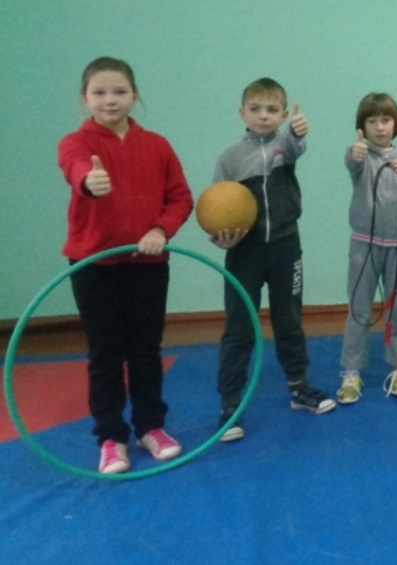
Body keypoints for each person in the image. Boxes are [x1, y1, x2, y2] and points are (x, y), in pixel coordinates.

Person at [57, 56, 194, 474]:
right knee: (105, 353)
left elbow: (180, 198)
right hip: (94, 267)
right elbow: (75, 167)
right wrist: (89, 180)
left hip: (147, 265)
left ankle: (151, 427)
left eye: (119, 91)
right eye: (99, 92)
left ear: (135, 95)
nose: (110, 100)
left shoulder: (157, 145)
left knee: (146, 351)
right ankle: (111, 438)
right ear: (84, 98)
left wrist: (160, 229)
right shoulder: (75, 143)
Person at [209, 77, 335, 442]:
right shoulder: (229, 159)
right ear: (242, 113)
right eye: (255, 109)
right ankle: (229, 406)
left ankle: (299, 388)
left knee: (289, 320)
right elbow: (216, 210)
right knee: (239, 327)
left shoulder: (285, 147)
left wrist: (297, 131)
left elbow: (295, 146)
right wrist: (220, 237)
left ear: (282, 115)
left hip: (285, 248)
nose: (263, 116)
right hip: (243, 254)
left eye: (271, 110)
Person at [338, 93, 397, 404]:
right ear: (362, 127)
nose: (379, 127)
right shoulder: (360, 156)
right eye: (372, 121)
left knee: (396, 308)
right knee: (359, 309)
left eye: (385, 120)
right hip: (363, 247)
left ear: (395, 123)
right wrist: (354, 152)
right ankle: (352, 371)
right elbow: (350, 160)